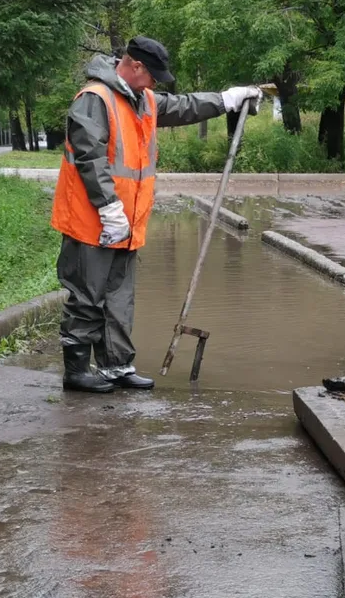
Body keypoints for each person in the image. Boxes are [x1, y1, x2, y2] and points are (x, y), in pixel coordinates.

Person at [51, 36, 262, 393]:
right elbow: (90, 158)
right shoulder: (95, 99)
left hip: (126, 222)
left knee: (119, 299)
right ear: (135, 66)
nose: (154, 84)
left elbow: (183, 106)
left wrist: (226, 100)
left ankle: (116, 366)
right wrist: (109, 207)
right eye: (152, 76)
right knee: (87, 296)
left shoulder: (141, 99)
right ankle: (77, 371)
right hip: (92, 220)